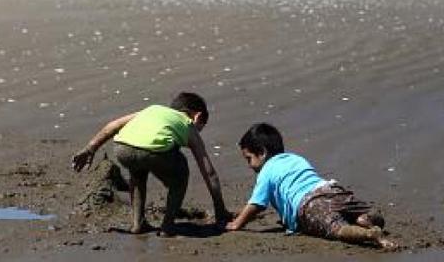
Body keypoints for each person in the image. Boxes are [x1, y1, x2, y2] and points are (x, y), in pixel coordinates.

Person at [72, 92, 228, 235]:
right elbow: (208, 172)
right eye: (201, 127)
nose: (199, 132)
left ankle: (137, 223)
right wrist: (220, 210)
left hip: (123, 148)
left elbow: (112, 126)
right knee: (180, 175)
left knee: (137, 173)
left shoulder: (151, 110)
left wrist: (90, 148)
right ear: (197, 117)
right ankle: (168, 225)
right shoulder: (187, 124)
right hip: (155, 152)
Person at [226, 123, 395, 249]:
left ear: (262, 153)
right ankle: (365, 218)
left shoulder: (266, 171)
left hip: (309, 204)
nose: (249, 165)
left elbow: (257, 204)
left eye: (249, 159)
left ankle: (369, 234)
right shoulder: (296, 158)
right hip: (332, 190)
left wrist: (237, 224)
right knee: (353, 211)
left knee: (336, 228)